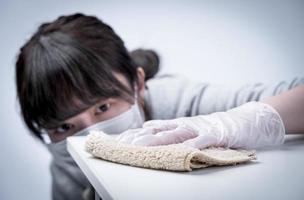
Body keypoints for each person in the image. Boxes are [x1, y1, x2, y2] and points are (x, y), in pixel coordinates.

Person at [15, 13, 304, 200]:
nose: (91, 134)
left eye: (102, 108)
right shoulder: (66, 161)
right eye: (65, 126)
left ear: (138, 84)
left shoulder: (183, 104)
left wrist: (231, 124)